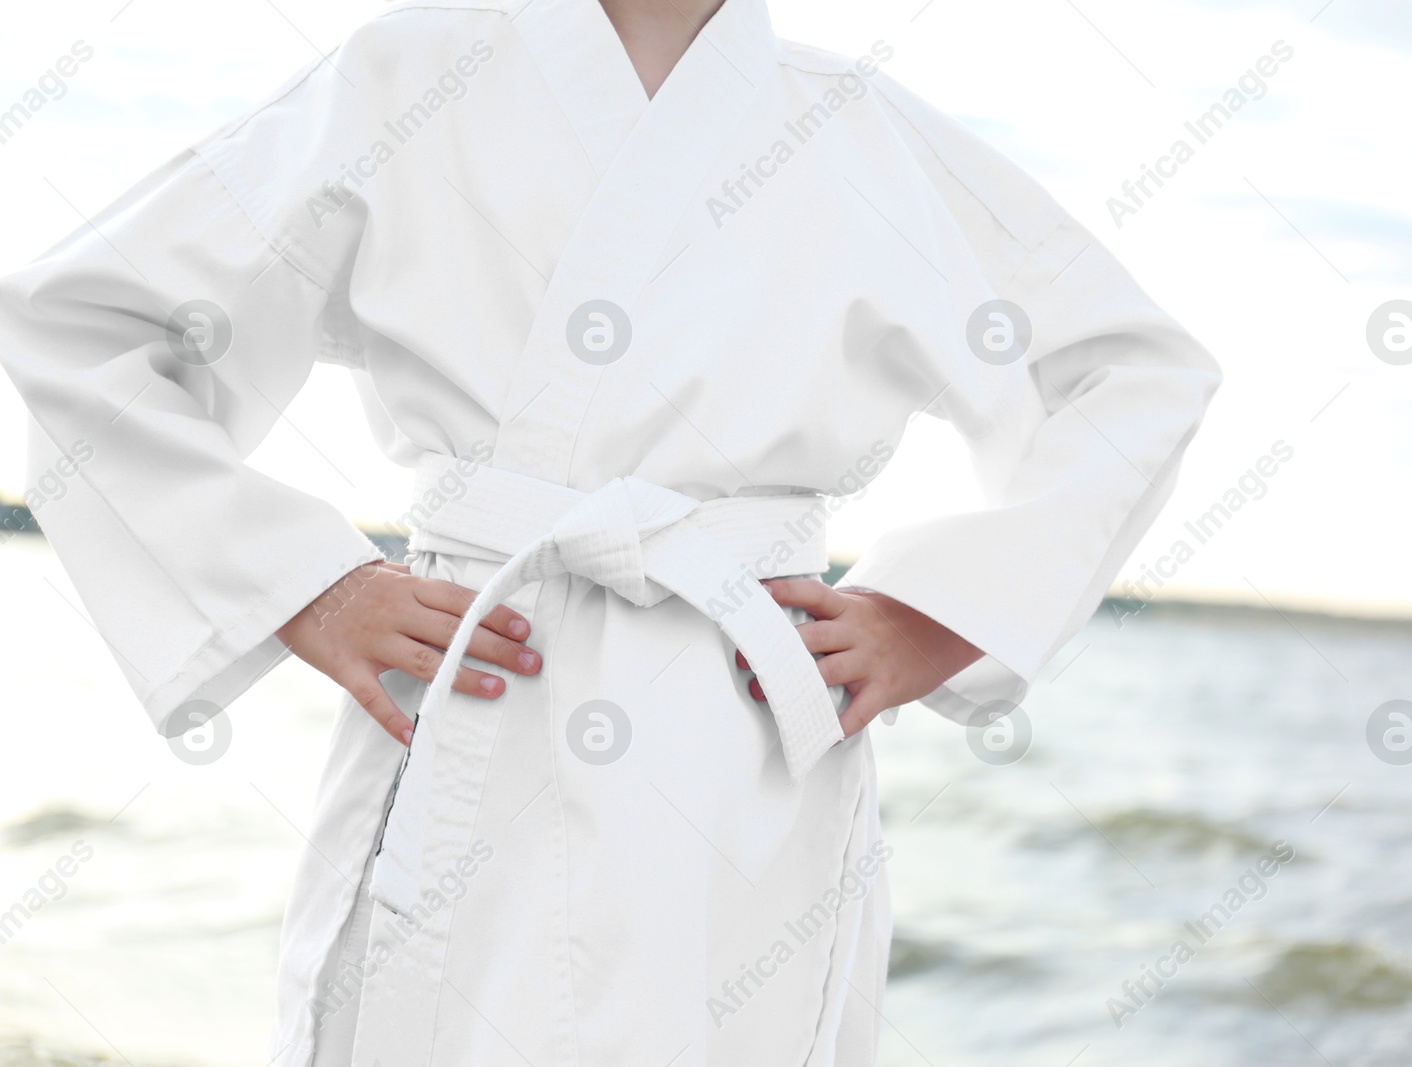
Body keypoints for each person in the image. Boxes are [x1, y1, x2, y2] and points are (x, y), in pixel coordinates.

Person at [0, 0, 1221, 1062]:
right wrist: (299, 584)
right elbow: (81, 323)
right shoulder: (410, 73)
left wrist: (938, 613)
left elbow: (1131, 372)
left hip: (747, 720)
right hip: (477, 676)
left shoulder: (859, 127)